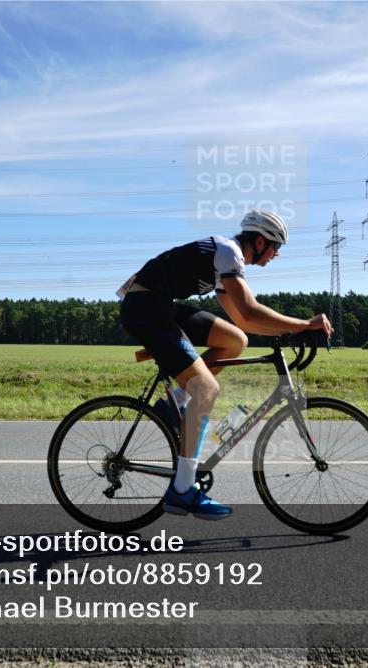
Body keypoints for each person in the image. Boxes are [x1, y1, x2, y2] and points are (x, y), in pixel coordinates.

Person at [118, 210, 334, 521]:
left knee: (235, 340)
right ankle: (182, 490)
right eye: (276, 247)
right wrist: (303, 325)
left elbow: (243, 321)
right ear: (260, 241)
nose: (276, 255)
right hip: (144, 308)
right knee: (206, 389)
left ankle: (172, 404)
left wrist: (290, 331)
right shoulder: (229, 253)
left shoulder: (226, 260)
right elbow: (249, 310)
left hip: (159, 305)